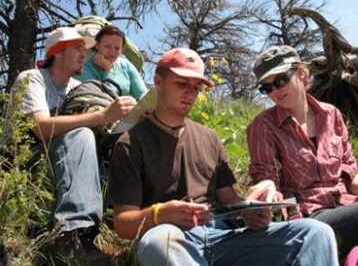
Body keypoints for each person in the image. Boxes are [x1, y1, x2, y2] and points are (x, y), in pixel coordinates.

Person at [108, 47, 339, 266]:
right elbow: (123, 224)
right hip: (174, 237)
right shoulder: (130, 143)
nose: (190, 93)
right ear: (158, 82)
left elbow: (228, 198)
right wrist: (159, 214)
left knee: (316, 233)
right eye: (182, 83)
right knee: (158, 242)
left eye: (197, 87)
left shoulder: (209, 137)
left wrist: (250, 214)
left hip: (224, 236)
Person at [246, 45, 358, 260]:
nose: (275, 91)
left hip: (347, 205)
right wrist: (267, 202)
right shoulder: (263, 126)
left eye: (281, 80)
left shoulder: (331, 115)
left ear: (301, 73)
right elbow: (267, 182)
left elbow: (348, 173)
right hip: (312, 218)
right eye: (266, 88)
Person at [7, 26, 137, 265]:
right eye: (77, 48)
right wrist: (101, 116)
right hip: (20, 164)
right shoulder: (33, 79)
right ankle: (70, 238)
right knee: (81, 136)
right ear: (57, 52)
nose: (83, 54)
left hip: (61, 160)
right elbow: (40, 128)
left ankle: (136, 224)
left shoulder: (75, 88)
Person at [74, 24, 148, 100]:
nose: (112, 52)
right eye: (107, 46)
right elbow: (106, 99)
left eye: (117, 48)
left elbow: (143, 95)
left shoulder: (125, 66)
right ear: (97, 45)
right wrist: (108, 69)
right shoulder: (83, 68)